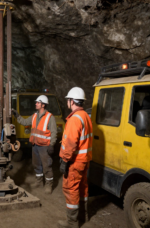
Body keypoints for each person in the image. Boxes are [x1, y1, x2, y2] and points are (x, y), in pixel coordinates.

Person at [58, 87, 93, 228]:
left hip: (75, 161)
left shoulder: (74, 119)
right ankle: (83, 217)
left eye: (68, 100)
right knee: (82, 188)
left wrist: (65, 160)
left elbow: (71, 143)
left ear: (72, 101)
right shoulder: (85, 116)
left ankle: (72, 223)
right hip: (85, 160)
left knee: (70, 189)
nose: (67, 102)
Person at [12, 95, 57, 194]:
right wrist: (17, 115)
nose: (35, 104)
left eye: (38, 102)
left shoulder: (50, 117)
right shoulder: (34, 116)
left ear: (43, 105)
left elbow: (54, 132)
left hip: (45, 146)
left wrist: (51, 145)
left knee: (47, 166)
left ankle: (49, 184)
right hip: (35, 145)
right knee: (36, 165)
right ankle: (39, 182)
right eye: (36, 102)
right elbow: (24, 122)